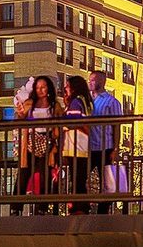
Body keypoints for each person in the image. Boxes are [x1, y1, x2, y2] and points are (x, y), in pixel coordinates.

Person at [13, 75, 61, 213]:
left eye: (43, 87)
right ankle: (16, 208)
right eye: (38, 87)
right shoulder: (29, 103)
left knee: (45, 176)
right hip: (30, 142)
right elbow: (19, 118)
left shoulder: (54, 106)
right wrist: (20, 114)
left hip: (47, 141)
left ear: (49, 88)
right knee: (23, 175)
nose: (41, 90)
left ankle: (42, 208)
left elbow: (60, 124)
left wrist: (55, 147)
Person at [88, 70, 124, 212]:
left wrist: (116, 148)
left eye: (93, 80)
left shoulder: (112, 101)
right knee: (82, 177)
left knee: (107, 181)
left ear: (102, 82)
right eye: (89, 79)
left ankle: (103, 210)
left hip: (105, 146)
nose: (90, 82)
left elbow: (117, 126)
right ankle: (83, 206)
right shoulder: (87, 100)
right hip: (89, 147)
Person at [59, 74, 93, 213]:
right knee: (79, 177)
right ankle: (81, 206)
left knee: (77, 178)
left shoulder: (76, 102)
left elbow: (73, 122)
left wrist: (62, 123)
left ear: (73, 88)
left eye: (67, 85)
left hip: (76, 145)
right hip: (82, 145)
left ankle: (80, 207)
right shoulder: (85, 101)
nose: (65, 88)